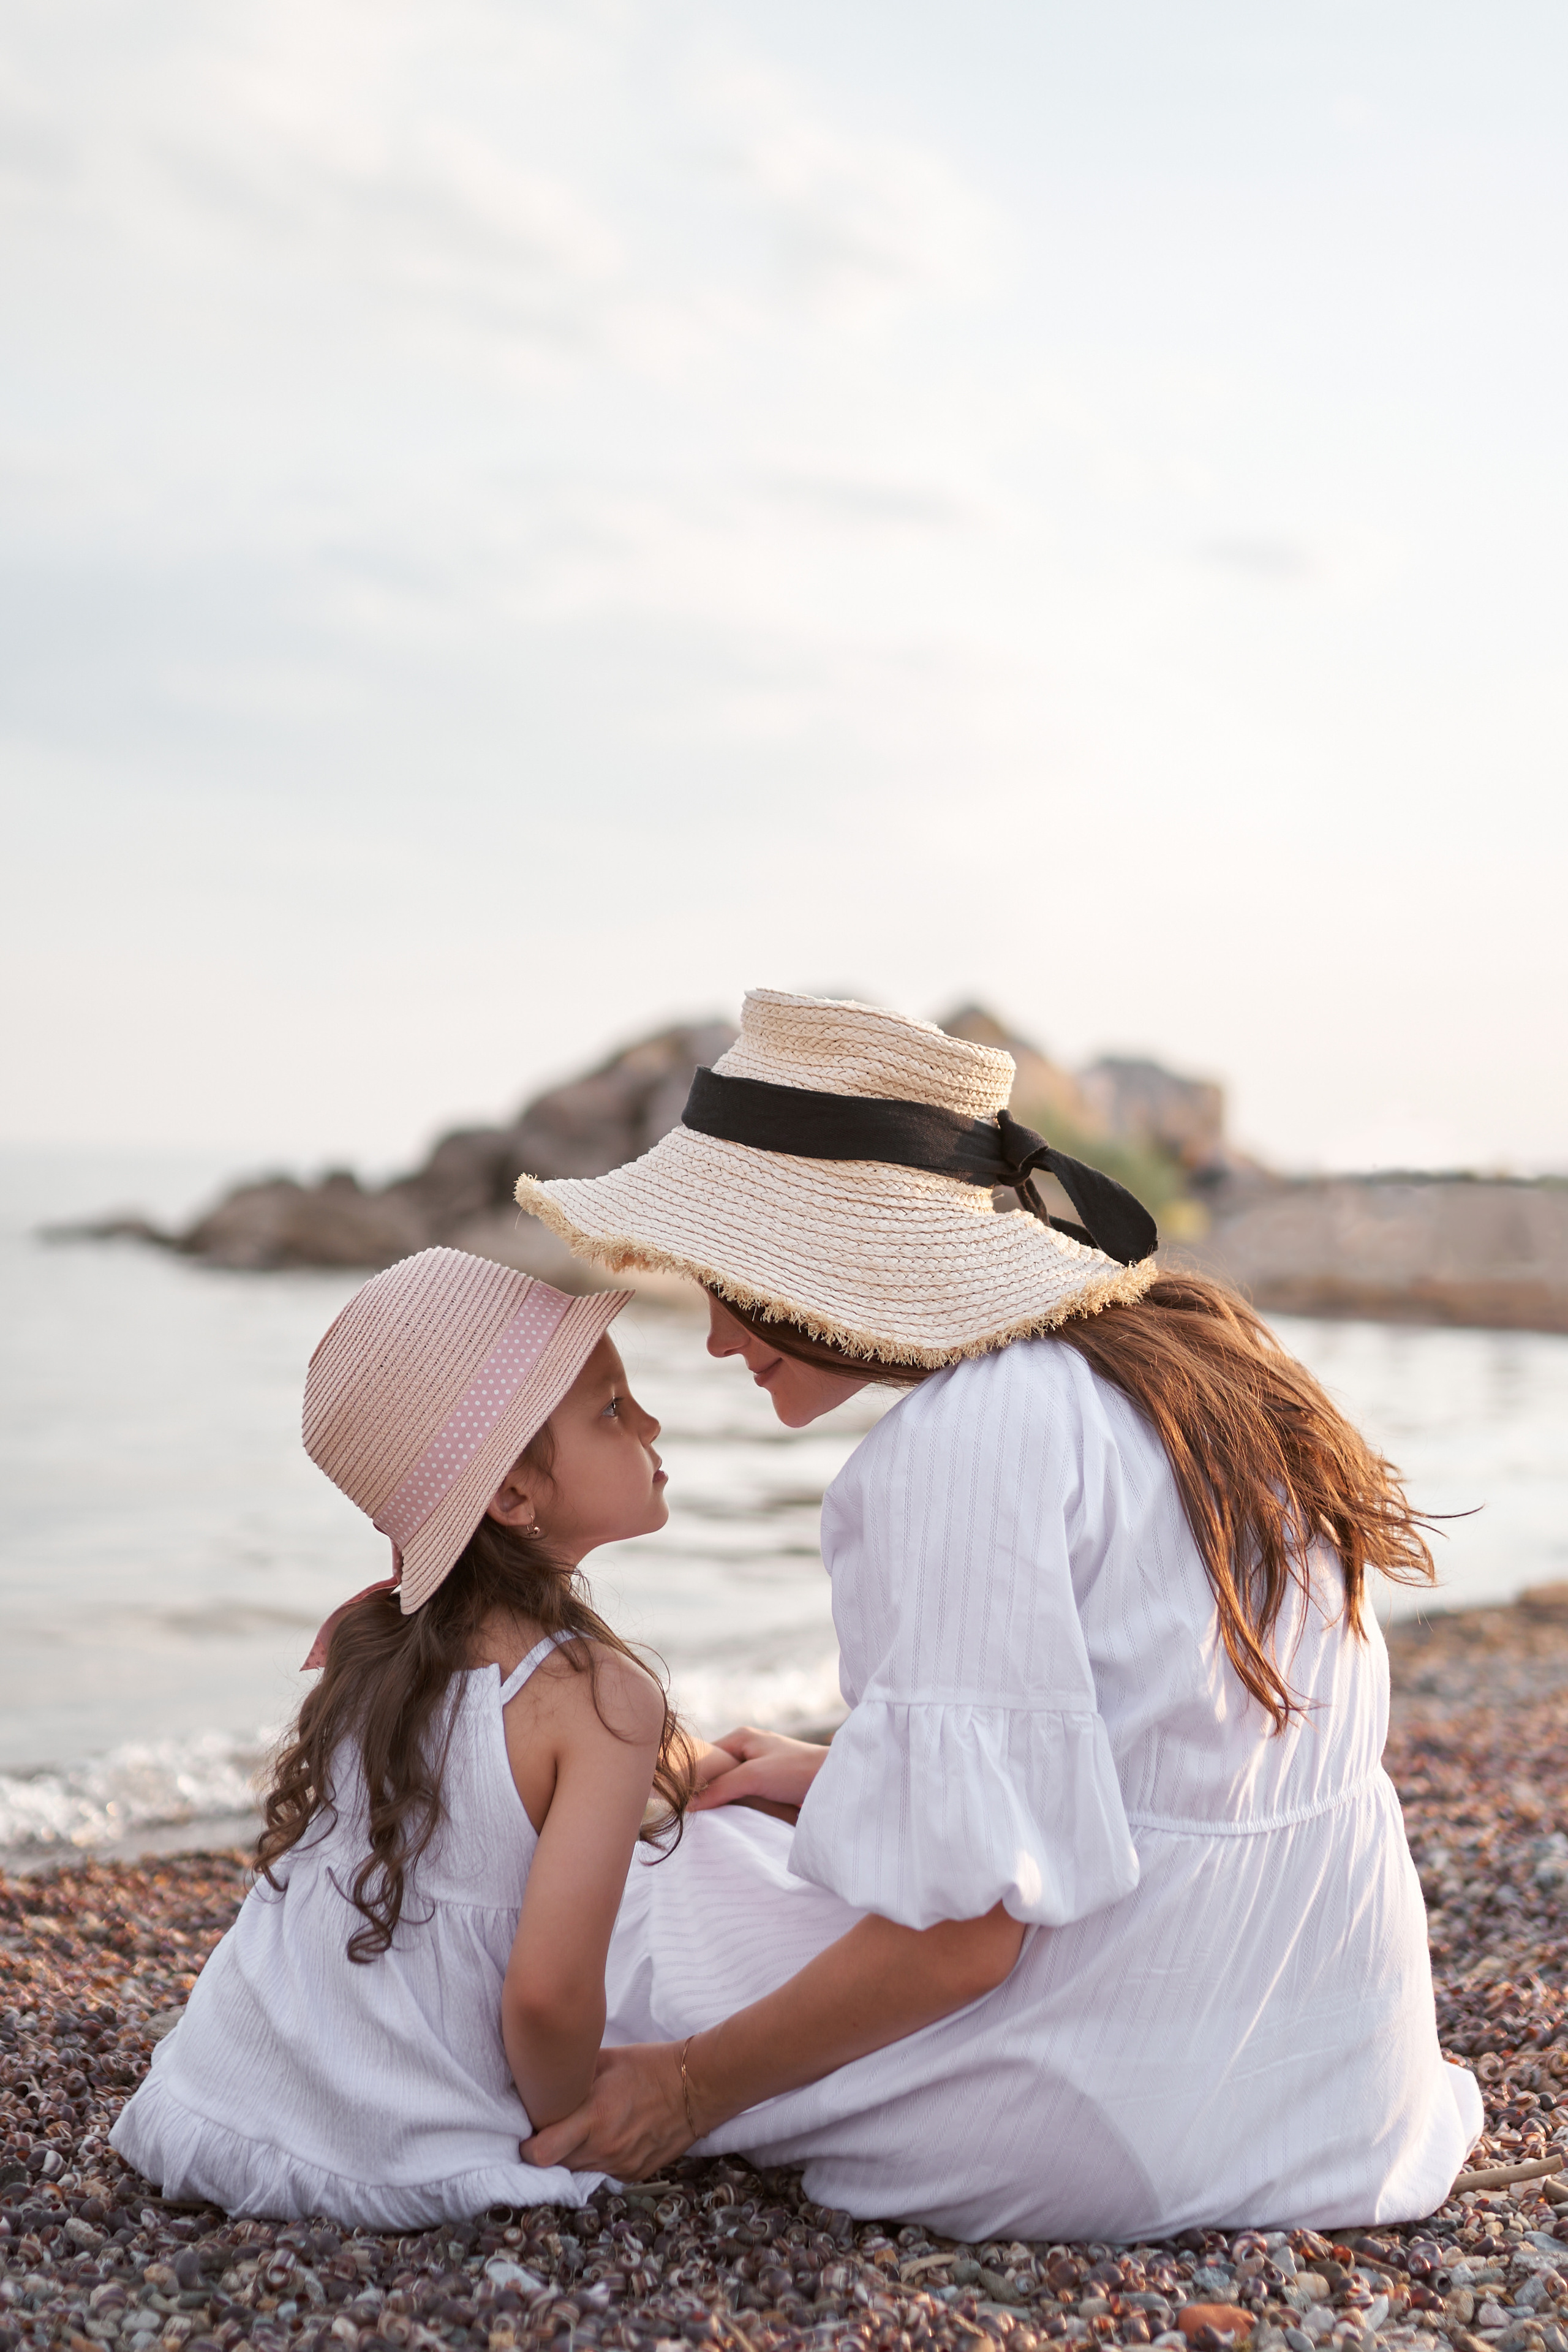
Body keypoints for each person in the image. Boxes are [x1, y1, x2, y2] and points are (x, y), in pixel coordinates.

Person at [511, 988, 1482, 2240]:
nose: (708, 1339)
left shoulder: (964, 1441)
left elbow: (964, 1945)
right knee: (743, 1832)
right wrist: (842, 1776)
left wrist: (689, 2092)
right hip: (1332, 2072)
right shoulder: (1190, 1358)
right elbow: (1167, 1745)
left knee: (636, 1884)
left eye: (724, 1278)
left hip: (1116, 2099)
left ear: (821, 1253)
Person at [111, 1247, 696, 2229]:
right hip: (409, 2153)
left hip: (222, 2106)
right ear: (513, 1498)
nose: (651, 1423)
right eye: (611, 1409)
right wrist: (574, 2124)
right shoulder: (599, 1701)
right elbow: (547, 2000)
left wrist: (702, 1764)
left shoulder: (373, 1655)